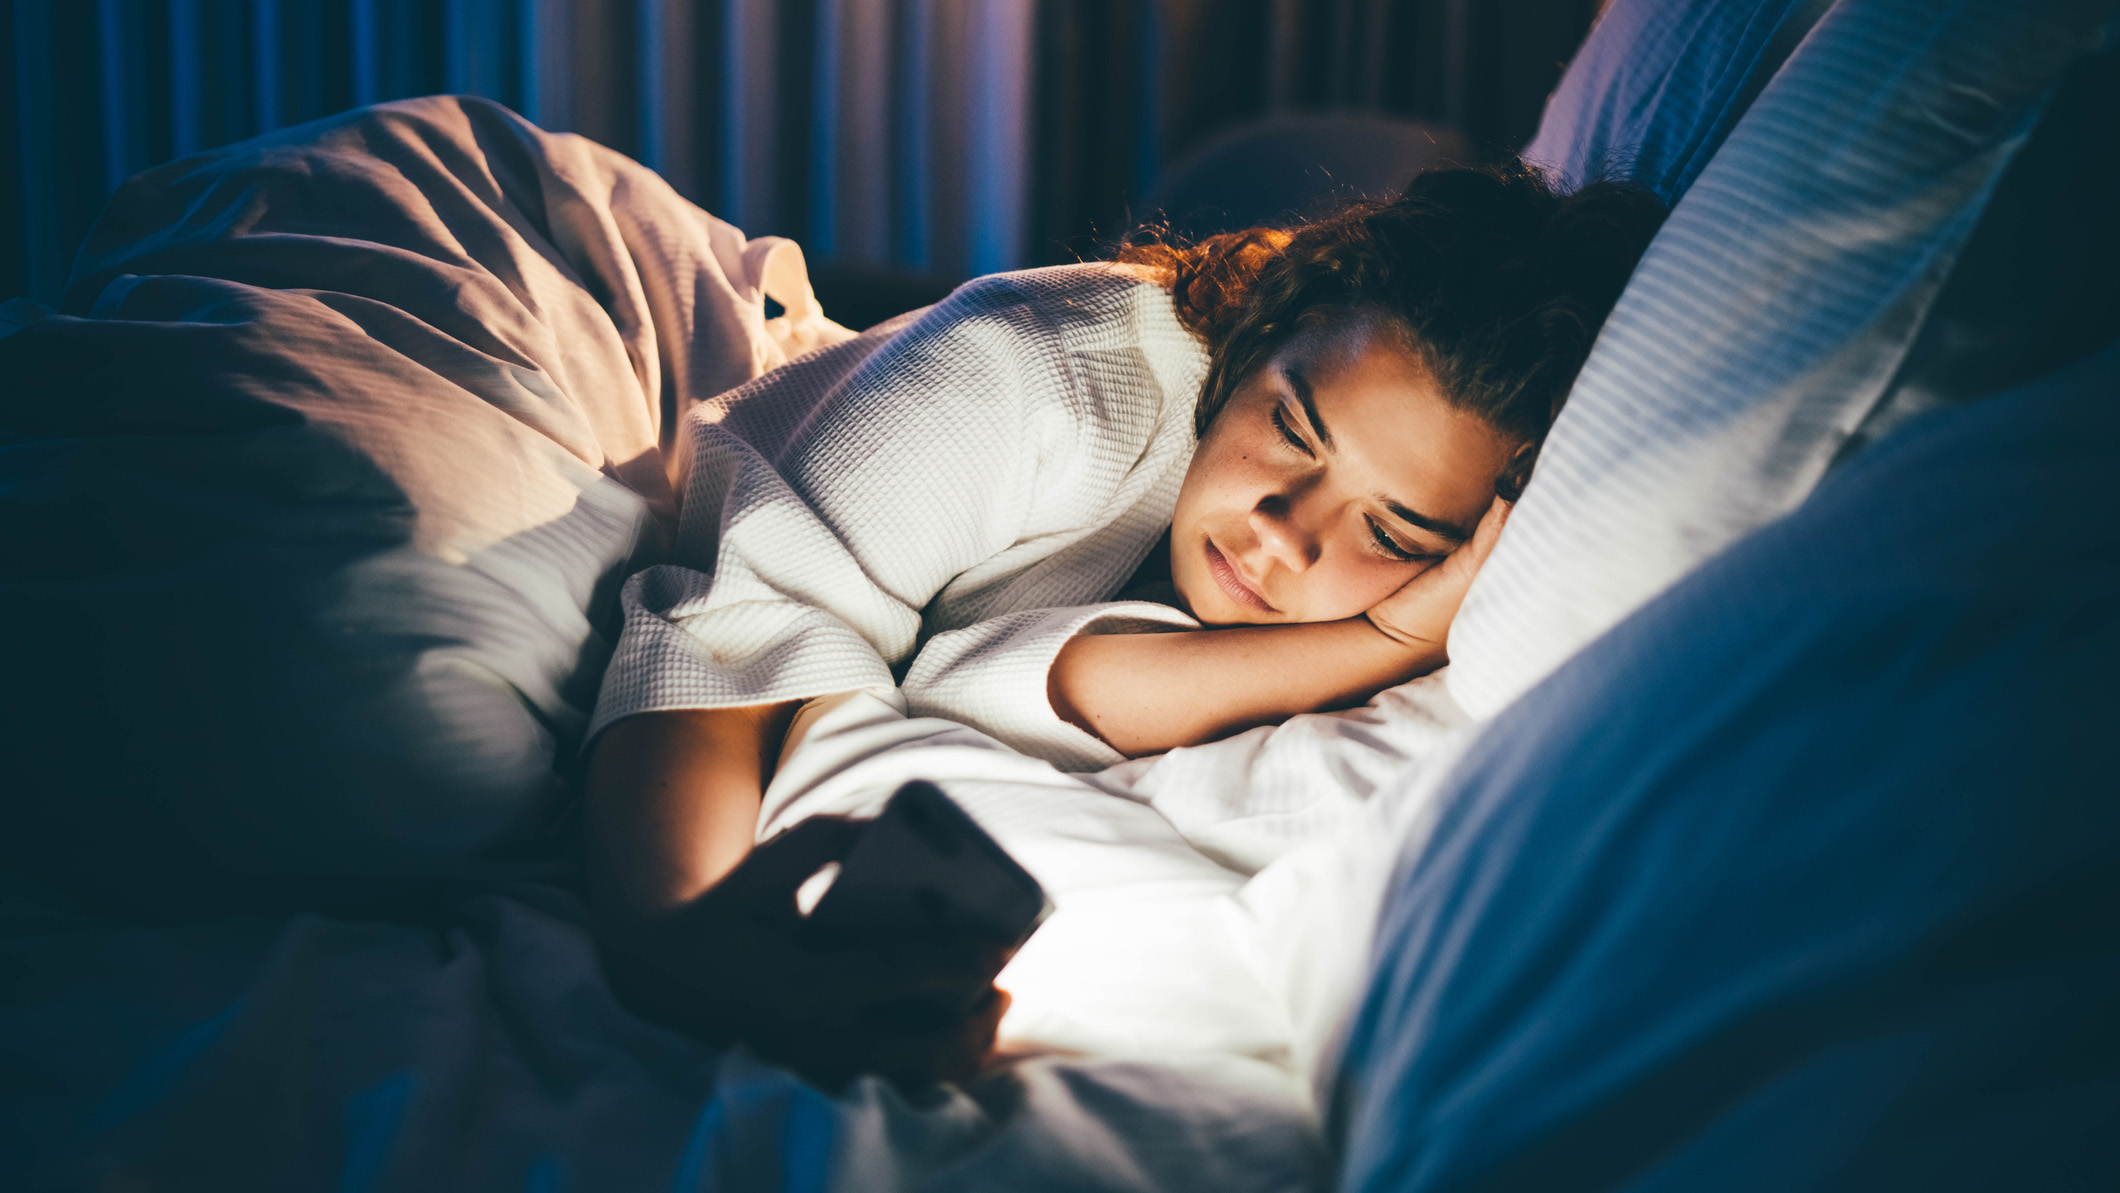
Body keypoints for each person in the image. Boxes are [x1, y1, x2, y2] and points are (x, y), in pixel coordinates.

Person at [582, 164, 1667, 1087]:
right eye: (1292, 429)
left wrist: (1387, 642)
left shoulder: (1395, 608)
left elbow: (997, 679)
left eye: (1388, 529)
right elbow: (731, 624)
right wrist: (676, 935)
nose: (1282, 534)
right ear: (1263, 335)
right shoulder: (1029, 377)